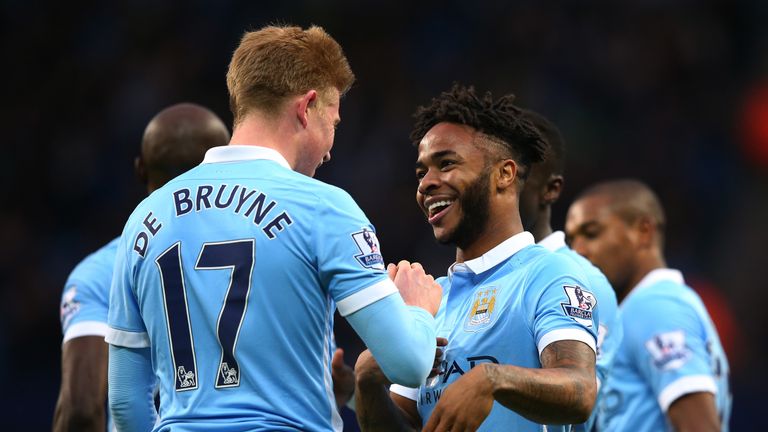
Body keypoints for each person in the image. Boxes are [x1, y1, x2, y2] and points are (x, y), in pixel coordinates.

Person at [106, 25, 442, 432]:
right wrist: (418, 311)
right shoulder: (324, 207)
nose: (331, 147)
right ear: (307, 107)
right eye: (333, 122)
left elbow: (125, 403)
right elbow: (408, 363)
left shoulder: (144, 219)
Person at [354, 84, 599, 432]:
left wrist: (491, 379)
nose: (426, 184)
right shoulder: (432, 299)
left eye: (446, 164)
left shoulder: (548, 274)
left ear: (504, 174)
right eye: (422, 172)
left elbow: (581, 390)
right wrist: (368, 384)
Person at [53, 102, 231, 431]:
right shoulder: (268, 251)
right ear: (226, 168)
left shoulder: (98, 274)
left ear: (140, 170)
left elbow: (81, 409)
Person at [565, 179, 731, 431]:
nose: (577, 251)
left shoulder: (653, 307)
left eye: (591, 233)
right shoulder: (650, 306)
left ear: (643, 231)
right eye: (571, 239)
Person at [518, 109, 622, 432]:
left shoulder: (583, 283)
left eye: (519, 175)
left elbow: (581, 411)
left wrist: (491, 382)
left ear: (551, 189)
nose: (503, 187)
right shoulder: (463, 279)